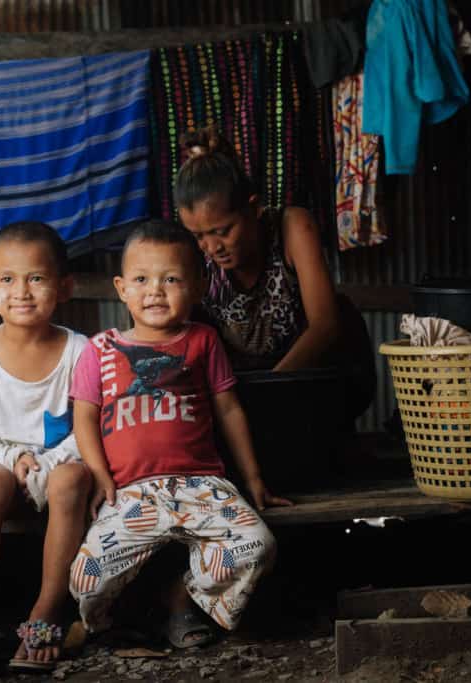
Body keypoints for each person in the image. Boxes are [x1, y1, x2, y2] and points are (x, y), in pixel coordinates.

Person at [68, 220, 291, 649]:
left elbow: (229, 409)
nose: (155, 290)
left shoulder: (203, 341)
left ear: (199, 285)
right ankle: (115, 620)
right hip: (130, 492)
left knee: (257, 545)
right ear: (121, 288)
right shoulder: (99, 349)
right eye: (141, 279)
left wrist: (255, 481)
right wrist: (100, 476)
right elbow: (84, 419)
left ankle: (182, 597)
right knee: (87, 580)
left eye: (171, 279)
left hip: (202, 484)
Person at [0, 221, 92, 677]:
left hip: (62, 467)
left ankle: (48, 609)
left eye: (36, 278)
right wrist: (13, 458)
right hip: (1, 471)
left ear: (64, 286)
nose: (22, 291)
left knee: (72, 477)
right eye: (8, 280)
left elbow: (91, 428)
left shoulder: (81, 351)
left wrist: (48, 462)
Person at [174, 126, 375, 421]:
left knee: (343, 314)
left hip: (306, 374)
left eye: (223, 231)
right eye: (199, 235)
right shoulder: (196, 253)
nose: (212, 247)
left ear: (253, 208)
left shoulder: (292, 227)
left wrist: (266, 392)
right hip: (239, 381)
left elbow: (326, 326)